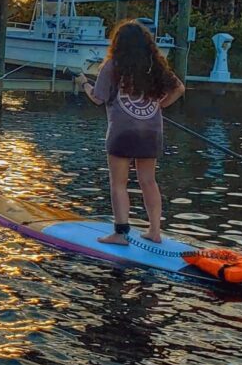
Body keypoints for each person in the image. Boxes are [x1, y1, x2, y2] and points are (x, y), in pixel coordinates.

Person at [75, 20, 185, 245]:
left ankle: (120, 233)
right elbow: (179, 88)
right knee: (148, 181)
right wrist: (161, 105)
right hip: (151, 130)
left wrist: (84, 84)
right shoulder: (156, 65)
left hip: (122, 132)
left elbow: (98, 97)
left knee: (119, 183)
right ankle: (155, 231)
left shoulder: (112, 65)